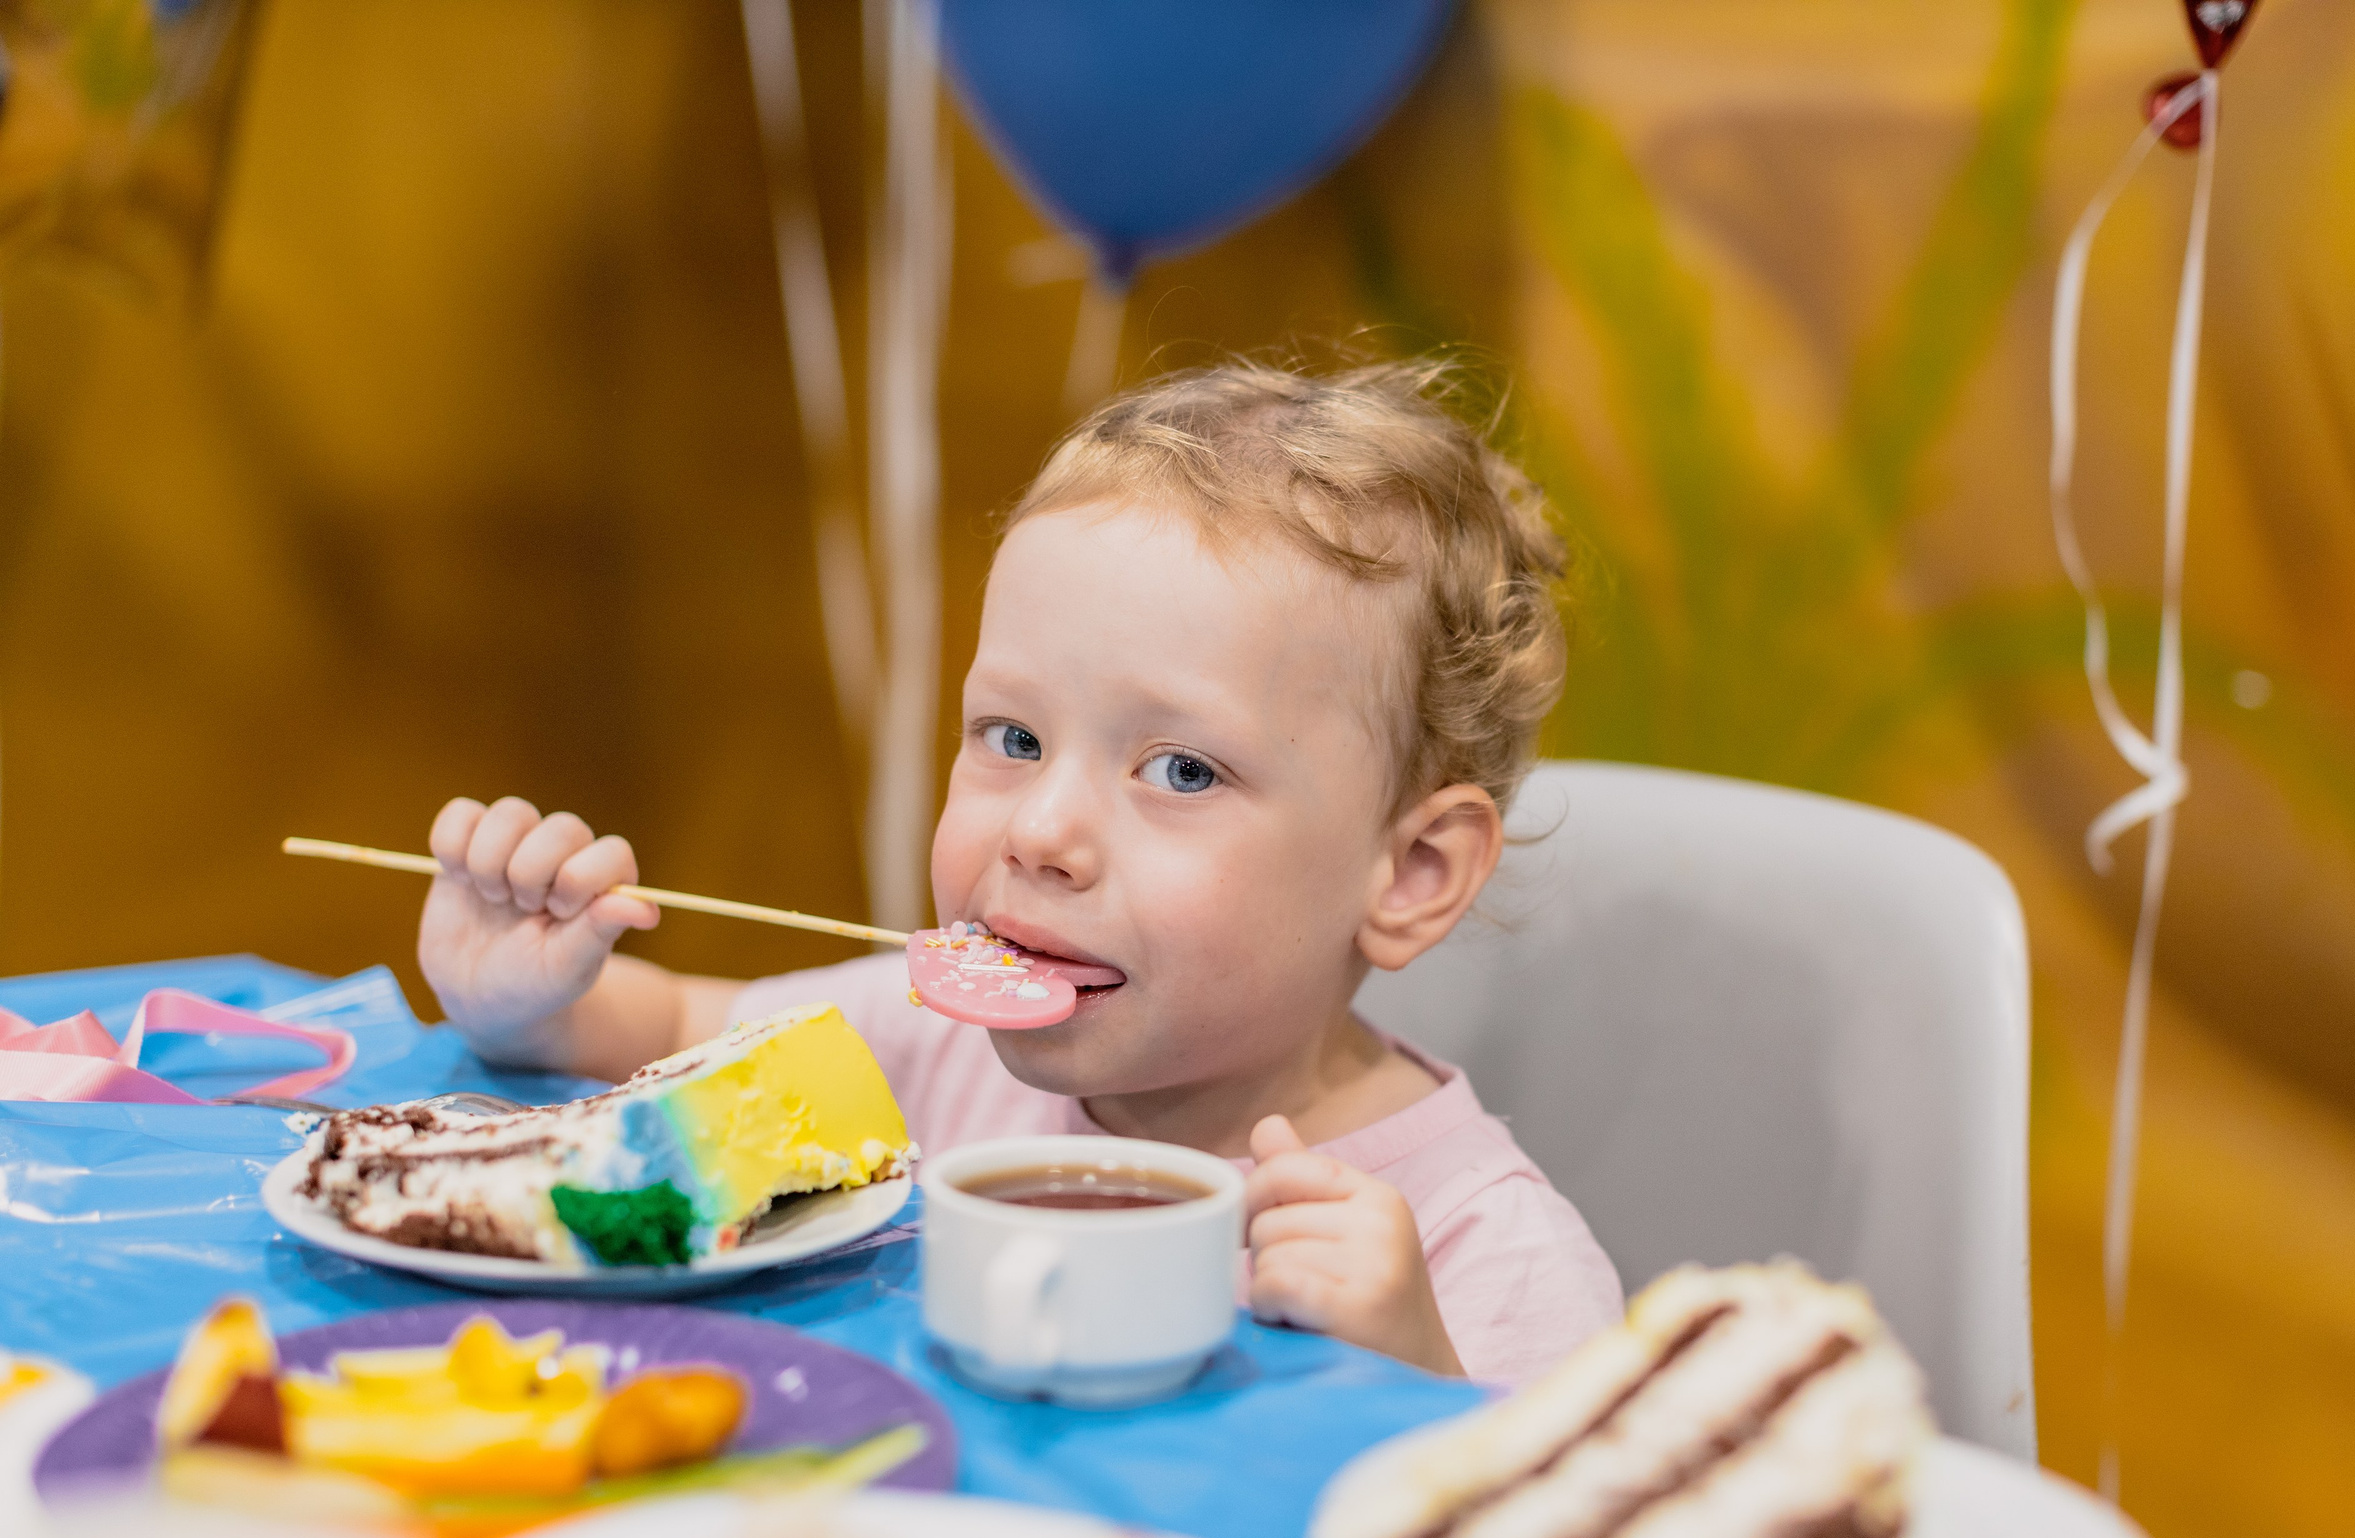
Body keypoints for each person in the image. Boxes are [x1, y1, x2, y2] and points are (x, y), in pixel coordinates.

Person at [417, 358, 1624, 1388]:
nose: (1040, 830)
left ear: (1410, 870)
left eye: (1183, 771)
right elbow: (671, 1026)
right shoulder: (932, 1043)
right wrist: (531, 1000)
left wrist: (1413, 1381)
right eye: (1012, 738)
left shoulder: (1486, 1250)